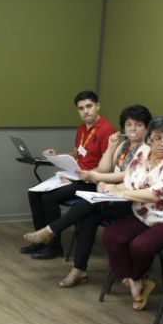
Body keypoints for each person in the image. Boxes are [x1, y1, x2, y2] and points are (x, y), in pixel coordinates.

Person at [24, 104, 151, 287]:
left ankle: (51, 230)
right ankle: (79, 269)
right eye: (129, 124)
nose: (132, 129)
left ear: (146, 127)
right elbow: (105, 168)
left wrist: (101, 180)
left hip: (131, 201)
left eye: (138, 125)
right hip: (112, 196)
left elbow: (128, 177)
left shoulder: (146, 150)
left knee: (89, 206)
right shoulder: (123, 145)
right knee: (88, 215)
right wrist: (111, 148)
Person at [101, 116, 163, 311]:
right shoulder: (143, 153)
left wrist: (121, 192)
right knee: (111, 236)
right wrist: (108, 185)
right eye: (157, 138)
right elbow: (129, 179)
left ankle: (136, 279)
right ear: (149, 140)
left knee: (140, 246)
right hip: (146, 214)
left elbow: (155, 194)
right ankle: (135, 279)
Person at [23, 90, 117, 260]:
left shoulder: (107, 130)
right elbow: (77, 153)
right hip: (74, 174)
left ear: (98, 106)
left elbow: (107, 166)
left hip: (90, 180)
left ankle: (53, 246)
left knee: (49, 198)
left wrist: (86, 175)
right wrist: (56, 155)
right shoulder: (82, 128)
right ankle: (40, 242)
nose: (85, 111)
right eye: (81, 108)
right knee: (34, 193)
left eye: (89, 106)